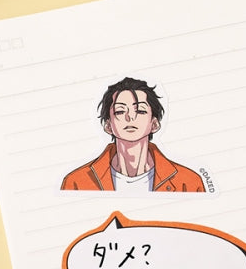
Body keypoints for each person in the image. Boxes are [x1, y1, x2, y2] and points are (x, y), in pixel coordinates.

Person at [61, 77, 205, 192]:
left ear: (154, 124)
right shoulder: (76, 182)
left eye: (140, 111)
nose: (130, 117)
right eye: (120, 111)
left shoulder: (188, 182)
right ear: (108, 125)